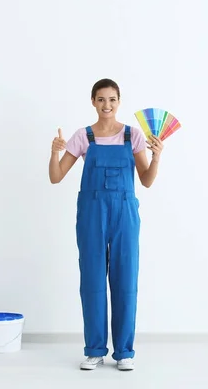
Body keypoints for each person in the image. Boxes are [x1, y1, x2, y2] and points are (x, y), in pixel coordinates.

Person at [48, 78, 164, 371]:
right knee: (92, 281)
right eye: (101, 99)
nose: (107, 105)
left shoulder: (132, 135)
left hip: (124, 212)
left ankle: (124, 352)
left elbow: (147, 181)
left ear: (119, 101)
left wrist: (157, 156)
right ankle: (95, 350)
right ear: (93, 102)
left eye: (112, 99)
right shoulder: (83, 136)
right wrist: (55, 152)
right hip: (91, 213)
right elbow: (56, 176)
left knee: (125, 281)